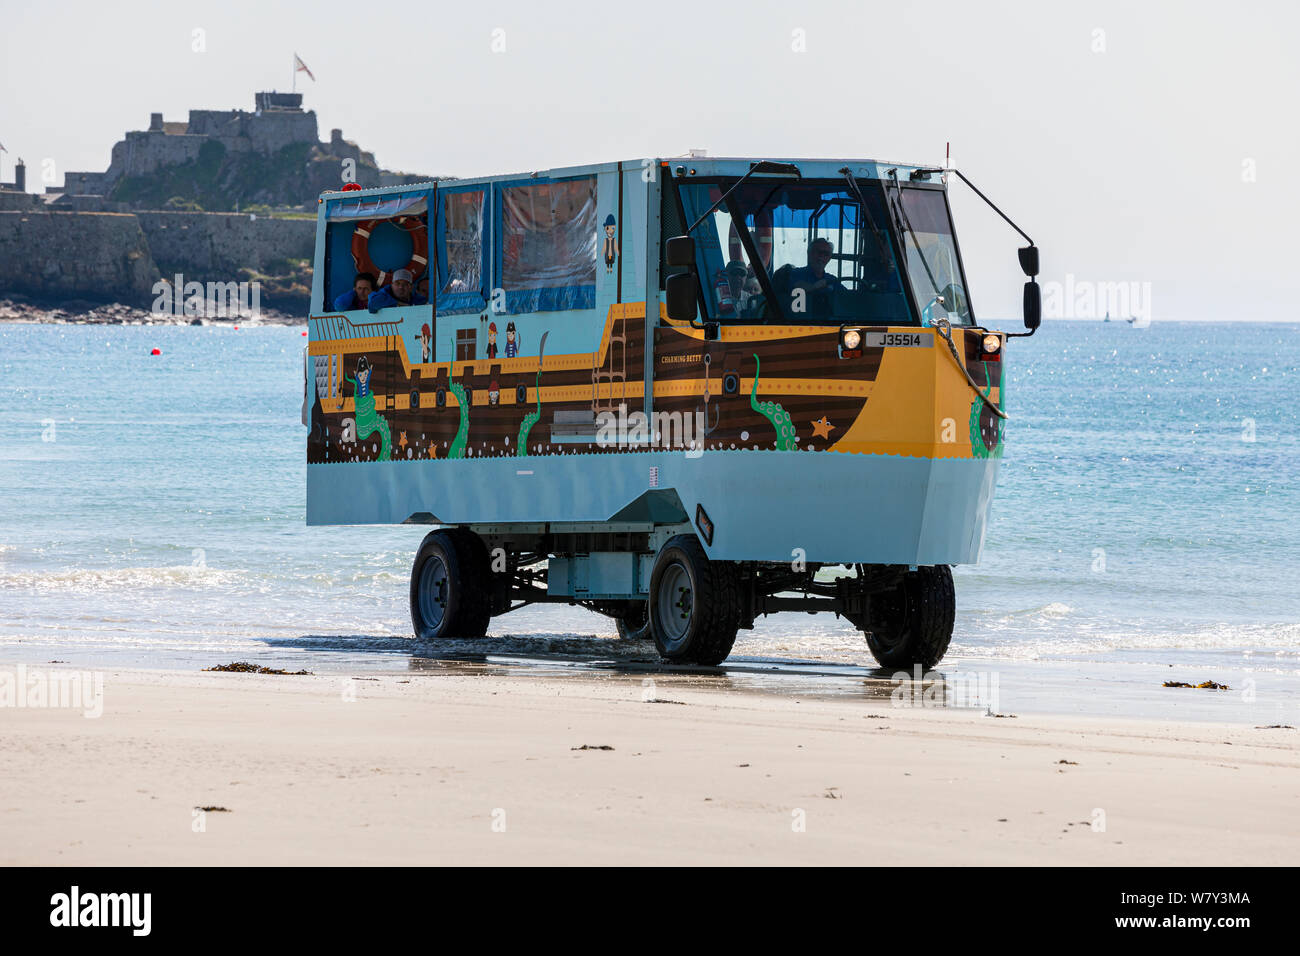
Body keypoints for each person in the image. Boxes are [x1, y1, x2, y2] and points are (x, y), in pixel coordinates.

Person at [787, 238, 842, 315]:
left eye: (826, 254)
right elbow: (796, 287)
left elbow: (847, 297)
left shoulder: (832, 280)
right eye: (819, 252)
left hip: (830, 324)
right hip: (799, 322)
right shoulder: (795, 274)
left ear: (829, 258)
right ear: (809, 253)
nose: (821, 257)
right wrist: (815, 287)